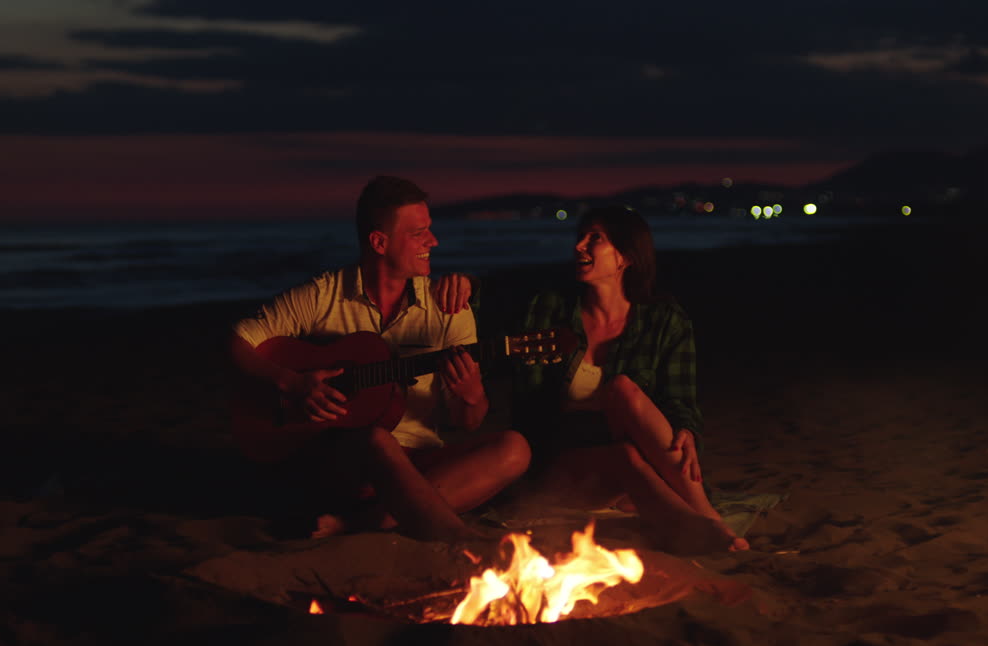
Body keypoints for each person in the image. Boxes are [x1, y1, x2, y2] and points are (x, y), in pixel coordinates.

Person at [230, 176, 529, 541]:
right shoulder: (324, 295)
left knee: (515, 449)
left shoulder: (449, 308)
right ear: (379, 242)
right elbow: (238, 341)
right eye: (418, 233)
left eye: (430, 231)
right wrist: (294, 383)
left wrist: (472, 396)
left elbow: (468, 422)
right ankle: (456, 538)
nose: (432, 242)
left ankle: (360, 524)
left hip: (421, 464)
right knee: (376, 438)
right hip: (347, 465)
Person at [512, 206, 748, 553]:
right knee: (620, 400)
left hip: (631, 455)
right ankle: (708, 524)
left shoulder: (664, 320)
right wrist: (597, 405)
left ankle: (703, 521)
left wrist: (686, 429)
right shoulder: (548, 310)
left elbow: (680, 400)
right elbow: (529, 408)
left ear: (626, 256)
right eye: (580, 236)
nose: (579, 246)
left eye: (595, 238)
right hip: (564, 462)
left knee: (626, 408)